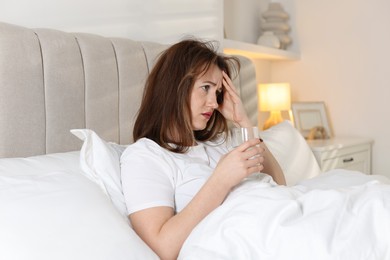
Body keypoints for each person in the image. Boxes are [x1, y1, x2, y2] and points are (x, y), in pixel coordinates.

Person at [121, 38, 286, 260]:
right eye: (206, 88)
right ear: (174, 88)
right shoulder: (146, 156)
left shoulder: (219, 144)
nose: (214, 103)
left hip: (281, 219)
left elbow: (280, 184)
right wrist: (221, 180)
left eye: (217, 92)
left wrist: (245, 123)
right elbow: (161, 248)